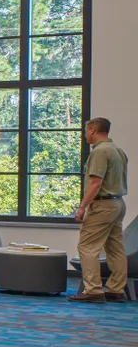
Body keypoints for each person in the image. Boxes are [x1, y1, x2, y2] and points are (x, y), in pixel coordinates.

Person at [71, 117, 128, 304]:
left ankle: (93, 290)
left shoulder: (100, 151)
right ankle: (116, 289)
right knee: (115, 248)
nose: (85, 134)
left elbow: (96, 182)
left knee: (87, 247)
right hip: (118, 203)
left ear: (93, 130)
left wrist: (82, 207)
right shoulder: (117, 151)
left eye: (86, 130)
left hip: (103, 205)